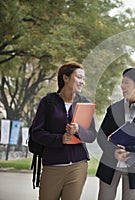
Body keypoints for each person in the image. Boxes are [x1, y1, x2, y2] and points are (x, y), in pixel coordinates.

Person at [31, 62, 97, 200]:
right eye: (79, 77)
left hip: (78, 166)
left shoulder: (85, 103)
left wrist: (79, 130)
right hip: (53, 165)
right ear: (65, 78)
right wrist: (59, 139)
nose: (82, 82)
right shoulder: (48, 102)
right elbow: (36, 133)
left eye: (83, 79)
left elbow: (91, 135)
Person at [96, 67, 135, 200]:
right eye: (122, 82)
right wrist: (114, 151)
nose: (122, 86)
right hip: (110, 164)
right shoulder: (114, 108)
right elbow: (101, 136)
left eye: (126, 82)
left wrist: (129, 150)